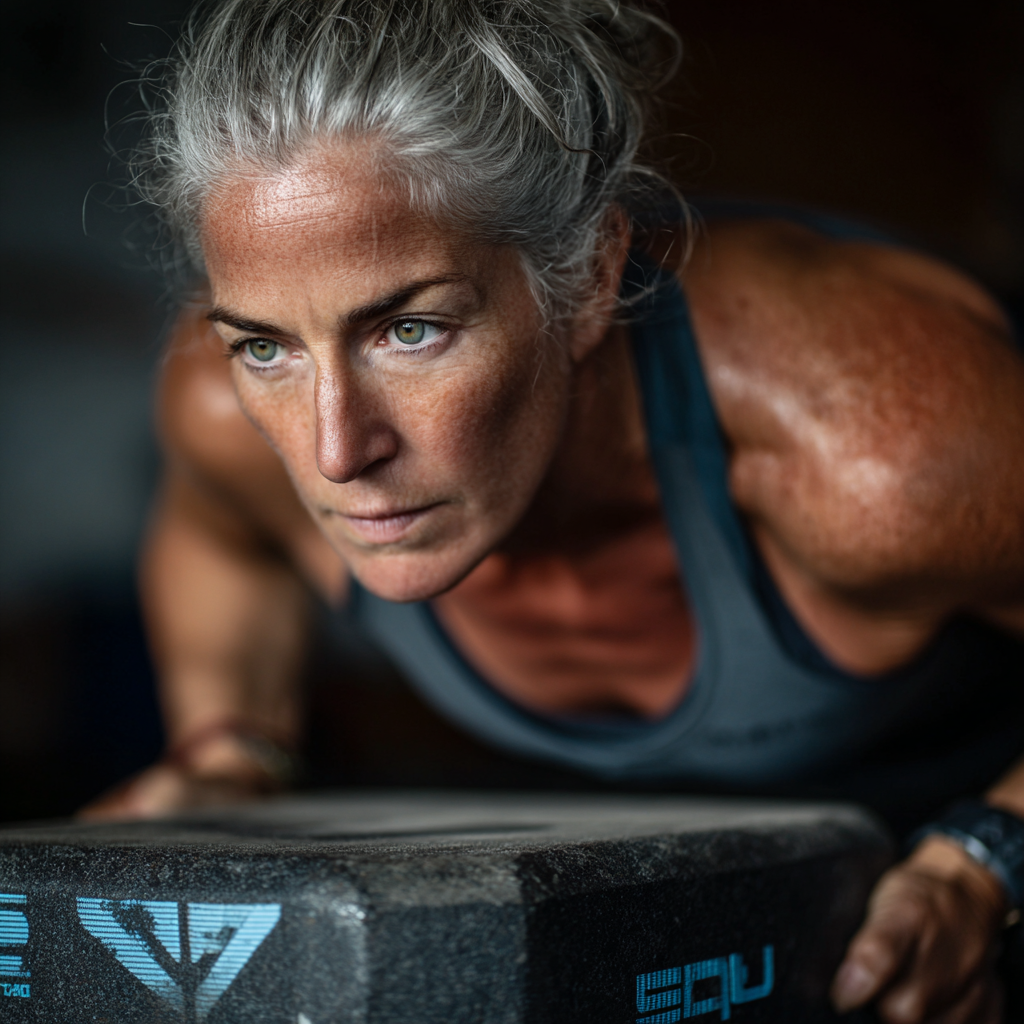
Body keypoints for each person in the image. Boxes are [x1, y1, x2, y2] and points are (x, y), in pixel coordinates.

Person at [84, 1, 1024, 1021]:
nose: (334, 451)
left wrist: (987, 858)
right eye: (266, 345)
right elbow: (222, 536)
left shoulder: (878, 450)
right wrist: (232, 748)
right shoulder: (223, 415)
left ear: (581, 282)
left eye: (409, 329)